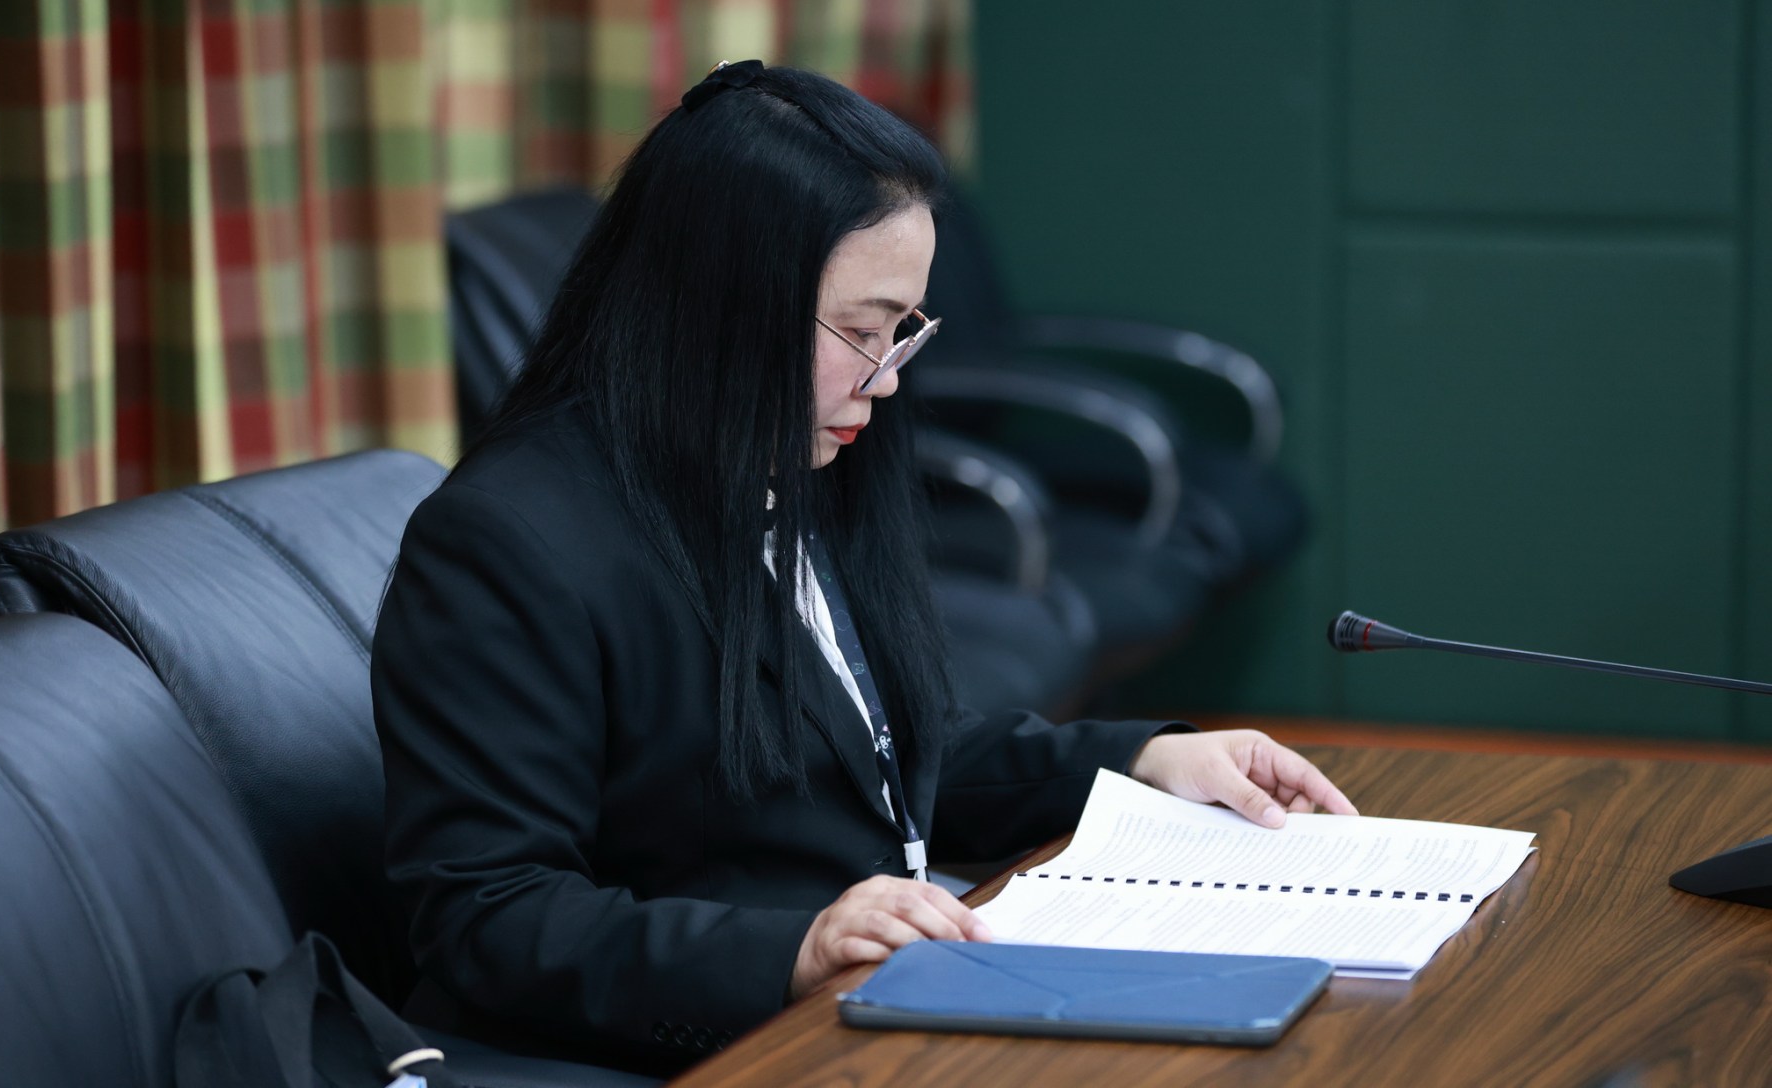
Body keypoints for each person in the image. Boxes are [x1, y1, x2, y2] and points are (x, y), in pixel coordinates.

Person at [371, 61, 1355, 1075]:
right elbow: (487, 917)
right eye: (859, 330)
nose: (884, 381)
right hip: (702, 1047)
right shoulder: (507, 540)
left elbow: (884, 760)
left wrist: (1141, 764)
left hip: (880, 1005)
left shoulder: (786, 455)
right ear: (721, 302)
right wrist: (793, 951)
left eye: (904, 332)